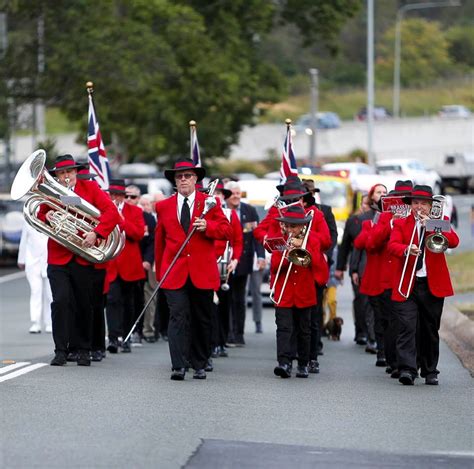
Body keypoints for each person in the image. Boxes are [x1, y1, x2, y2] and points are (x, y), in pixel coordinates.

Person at [37, 154, 120, 366]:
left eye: (69, 172)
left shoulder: (90, 189)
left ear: (76, 172)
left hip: (82, 256)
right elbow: (40, 213)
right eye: (62, 173)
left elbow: (112, 212)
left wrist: (97, 233)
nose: (66, 176)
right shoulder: (53, 190)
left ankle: (84, 349)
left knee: (85, 304)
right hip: (58, 257)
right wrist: (45, 216)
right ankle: (61, 350)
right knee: (61, 302)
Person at [155, 158, 232, 381]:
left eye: (188, 176)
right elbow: (160, 242)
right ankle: (178, 365)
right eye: (179, 177)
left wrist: (209, 226)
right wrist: (161, 273)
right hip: (174, 272)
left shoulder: (210, 203)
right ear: (174, 181)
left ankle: (199, 363)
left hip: (202, 272)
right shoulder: (163, 206)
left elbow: (227, 231)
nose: (183, 180)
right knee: (178, 317)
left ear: (196, 178)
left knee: (202, 318)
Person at [388, 185, 459, 386]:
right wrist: (405, 249)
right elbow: (391, 246)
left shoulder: (440, 222)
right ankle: (408, 370)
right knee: (407, 327)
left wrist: (433, 226)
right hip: (408, 282)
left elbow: (453, 241)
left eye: (424, 203)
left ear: (430, 205)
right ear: (410, 205)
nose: (419, 207)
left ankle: (430, 370)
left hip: (432, 284)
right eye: (416, 203)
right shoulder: (401, 223)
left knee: (430, 328)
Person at [270, 205, 320, 379]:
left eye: (293, 226)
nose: (290, 229)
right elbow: (275, 267)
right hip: (284, 292)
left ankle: (303, 363)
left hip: (304, 292)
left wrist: (304, 249)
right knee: (284, 328)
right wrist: (287, 254)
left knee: (304, 330)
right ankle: (284, 362)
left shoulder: (312, 239)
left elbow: (319, 265)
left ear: (302, 226)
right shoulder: (281, 240)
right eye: (288, 226)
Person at [105, 179, 146, 353]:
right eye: (112, 194)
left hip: (130, 266)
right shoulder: (103, 210)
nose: (115, 198)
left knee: (129, 303)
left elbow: (137, 234)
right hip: (111, 264)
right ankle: (114, 338)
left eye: (118, 195)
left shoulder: (135, 211)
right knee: (112, 301)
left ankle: (127, 337)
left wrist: (120, 219)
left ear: (123, 196)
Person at [224, 180, 265, 347]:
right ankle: (227, 334)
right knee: (226, 299)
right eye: (232, 193)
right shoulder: (221, 211)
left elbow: (256, 236)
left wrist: (261, 256)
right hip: (225, 263)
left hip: (244, 262)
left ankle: (239, 334)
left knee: (239, 299)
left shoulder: (249, 210)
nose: (235, 196)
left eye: (238, 193)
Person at [210, 181, 243, 360]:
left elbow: (238, 240)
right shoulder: (203, 213)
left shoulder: (230, 214)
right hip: (207, 264)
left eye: (220, 194)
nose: (217, 196)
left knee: (223, 308)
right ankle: (210, 343)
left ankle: (221, 343)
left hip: (224, 267)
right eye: (214, 193)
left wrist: (235, 260)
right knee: (208, 307)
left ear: (224, 197)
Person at [17, 222, 52, 333]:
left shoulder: (51, 219)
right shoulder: (28, 222)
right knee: (36, 291)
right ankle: (35, 322)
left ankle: (49, 322)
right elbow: (24, 241)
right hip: (32, 261)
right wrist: (21, 259)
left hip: (49, 261)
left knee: (50, 294)